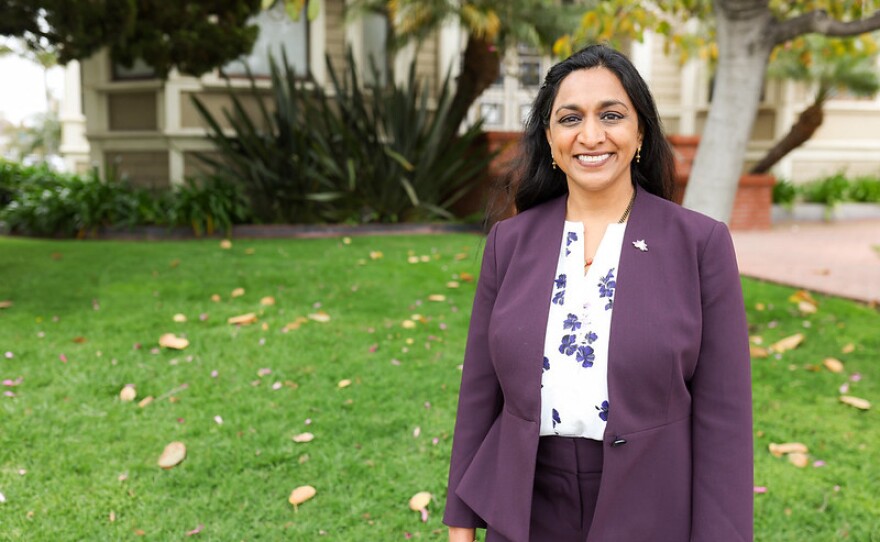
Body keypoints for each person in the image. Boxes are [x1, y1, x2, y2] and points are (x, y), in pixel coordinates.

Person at [443, 44, 753, 542]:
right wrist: (461, 524)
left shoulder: (700, 244)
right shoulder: (510, 242)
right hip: (526, 506)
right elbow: (480, 394)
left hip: (654, 506)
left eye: (611, 115)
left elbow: (725, 419)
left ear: (639, 132)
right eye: (570, 118)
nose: (591, 135)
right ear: (549, 139)